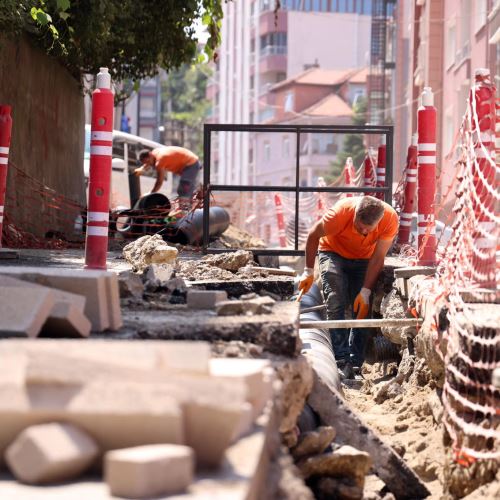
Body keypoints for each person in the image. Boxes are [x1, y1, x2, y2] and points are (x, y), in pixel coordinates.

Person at [298, 195, 398, 378]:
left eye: (369, 230)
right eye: (360, 227)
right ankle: (341, 360)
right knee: (335, 300)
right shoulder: (340, 213)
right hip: (333, 252)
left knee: (362, 308)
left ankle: (355, 363)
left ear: (378, 222)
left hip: (364, 259)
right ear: (355, 215)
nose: (364, 232)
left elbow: (378, 258)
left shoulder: (390, 219)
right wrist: (308, 271)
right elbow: (313, 235)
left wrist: (366, 291)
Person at [134, 146, 201, 201]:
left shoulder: (160, 161)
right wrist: (142, 168)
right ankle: (191, 203)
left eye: (148, 162)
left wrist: (150, 193)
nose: (149, 165)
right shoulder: (155, 152)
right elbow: (150, 161)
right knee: (189, 189)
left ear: (150, 154)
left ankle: (185, 209)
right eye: (146, 163)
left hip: (191, 164)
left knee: (184, 188)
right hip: (190, 162)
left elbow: (159, 182)